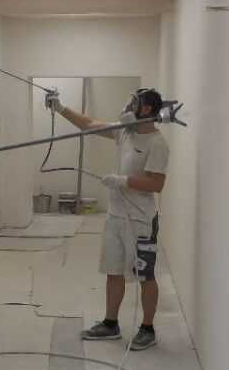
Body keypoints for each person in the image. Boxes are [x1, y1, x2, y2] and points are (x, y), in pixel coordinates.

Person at [45, 86, 169, 350]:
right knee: (113, 271)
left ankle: (148, 329)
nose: (127, 106)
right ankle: (110, 324)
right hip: (115, 216)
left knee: (145, 275)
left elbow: (156, 183)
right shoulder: (124, 131)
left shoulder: (157, 143)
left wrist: (123, 181)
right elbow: (89, 124)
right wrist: (61, 108)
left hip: (141, 221)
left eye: (133, 102)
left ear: (146, 108)